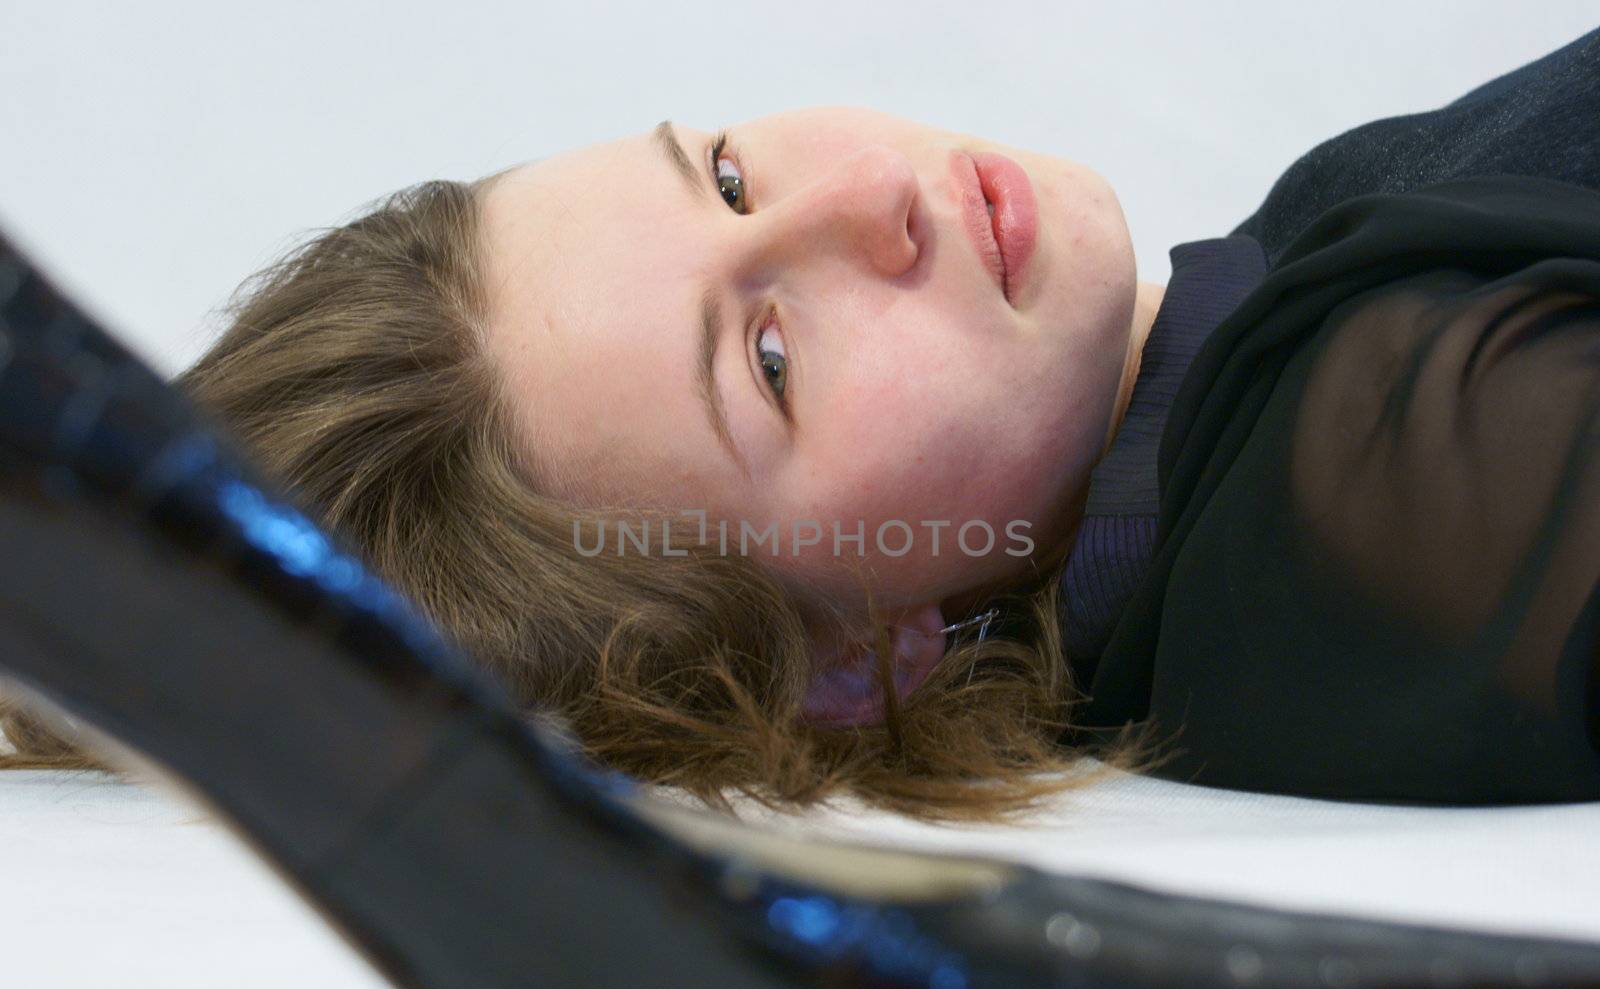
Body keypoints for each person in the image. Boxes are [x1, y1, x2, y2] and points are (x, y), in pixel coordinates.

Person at [6, 26, 1599, 814]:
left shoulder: (1260, 342)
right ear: (851, 667)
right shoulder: (1350, 471)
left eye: (722, 176)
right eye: (771, 357)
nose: (866, 194)